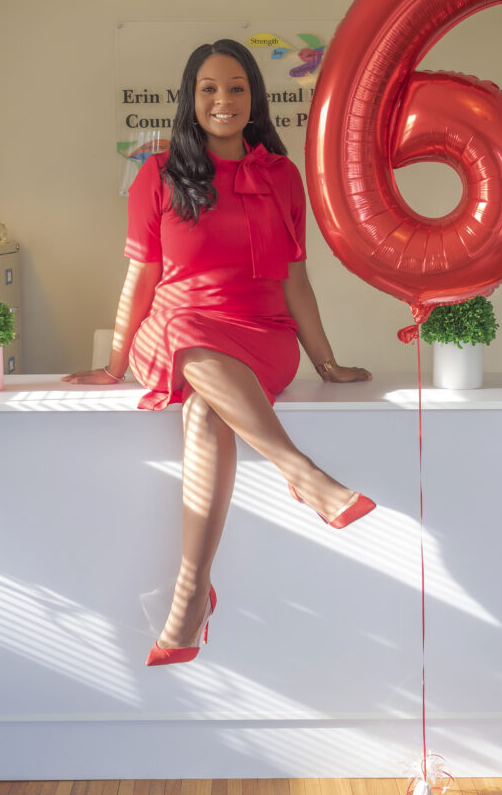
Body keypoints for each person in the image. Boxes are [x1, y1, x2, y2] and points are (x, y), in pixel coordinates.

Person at [63, 39, 374, 666]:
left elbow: (296, 281)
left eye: (236, 87)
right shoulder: (156, 175)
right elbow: (141, 279)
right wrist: (114, 364)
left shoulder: (284, 177)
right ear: (190, 98)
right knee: (185, 328)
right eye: (209, 88)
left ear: (254, 97)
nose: (223, 100)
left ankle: (191, 597)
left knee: (206, 413)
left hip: (261, 335)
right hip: (176, 330)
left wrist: (325, 362)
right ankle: (302, 475)